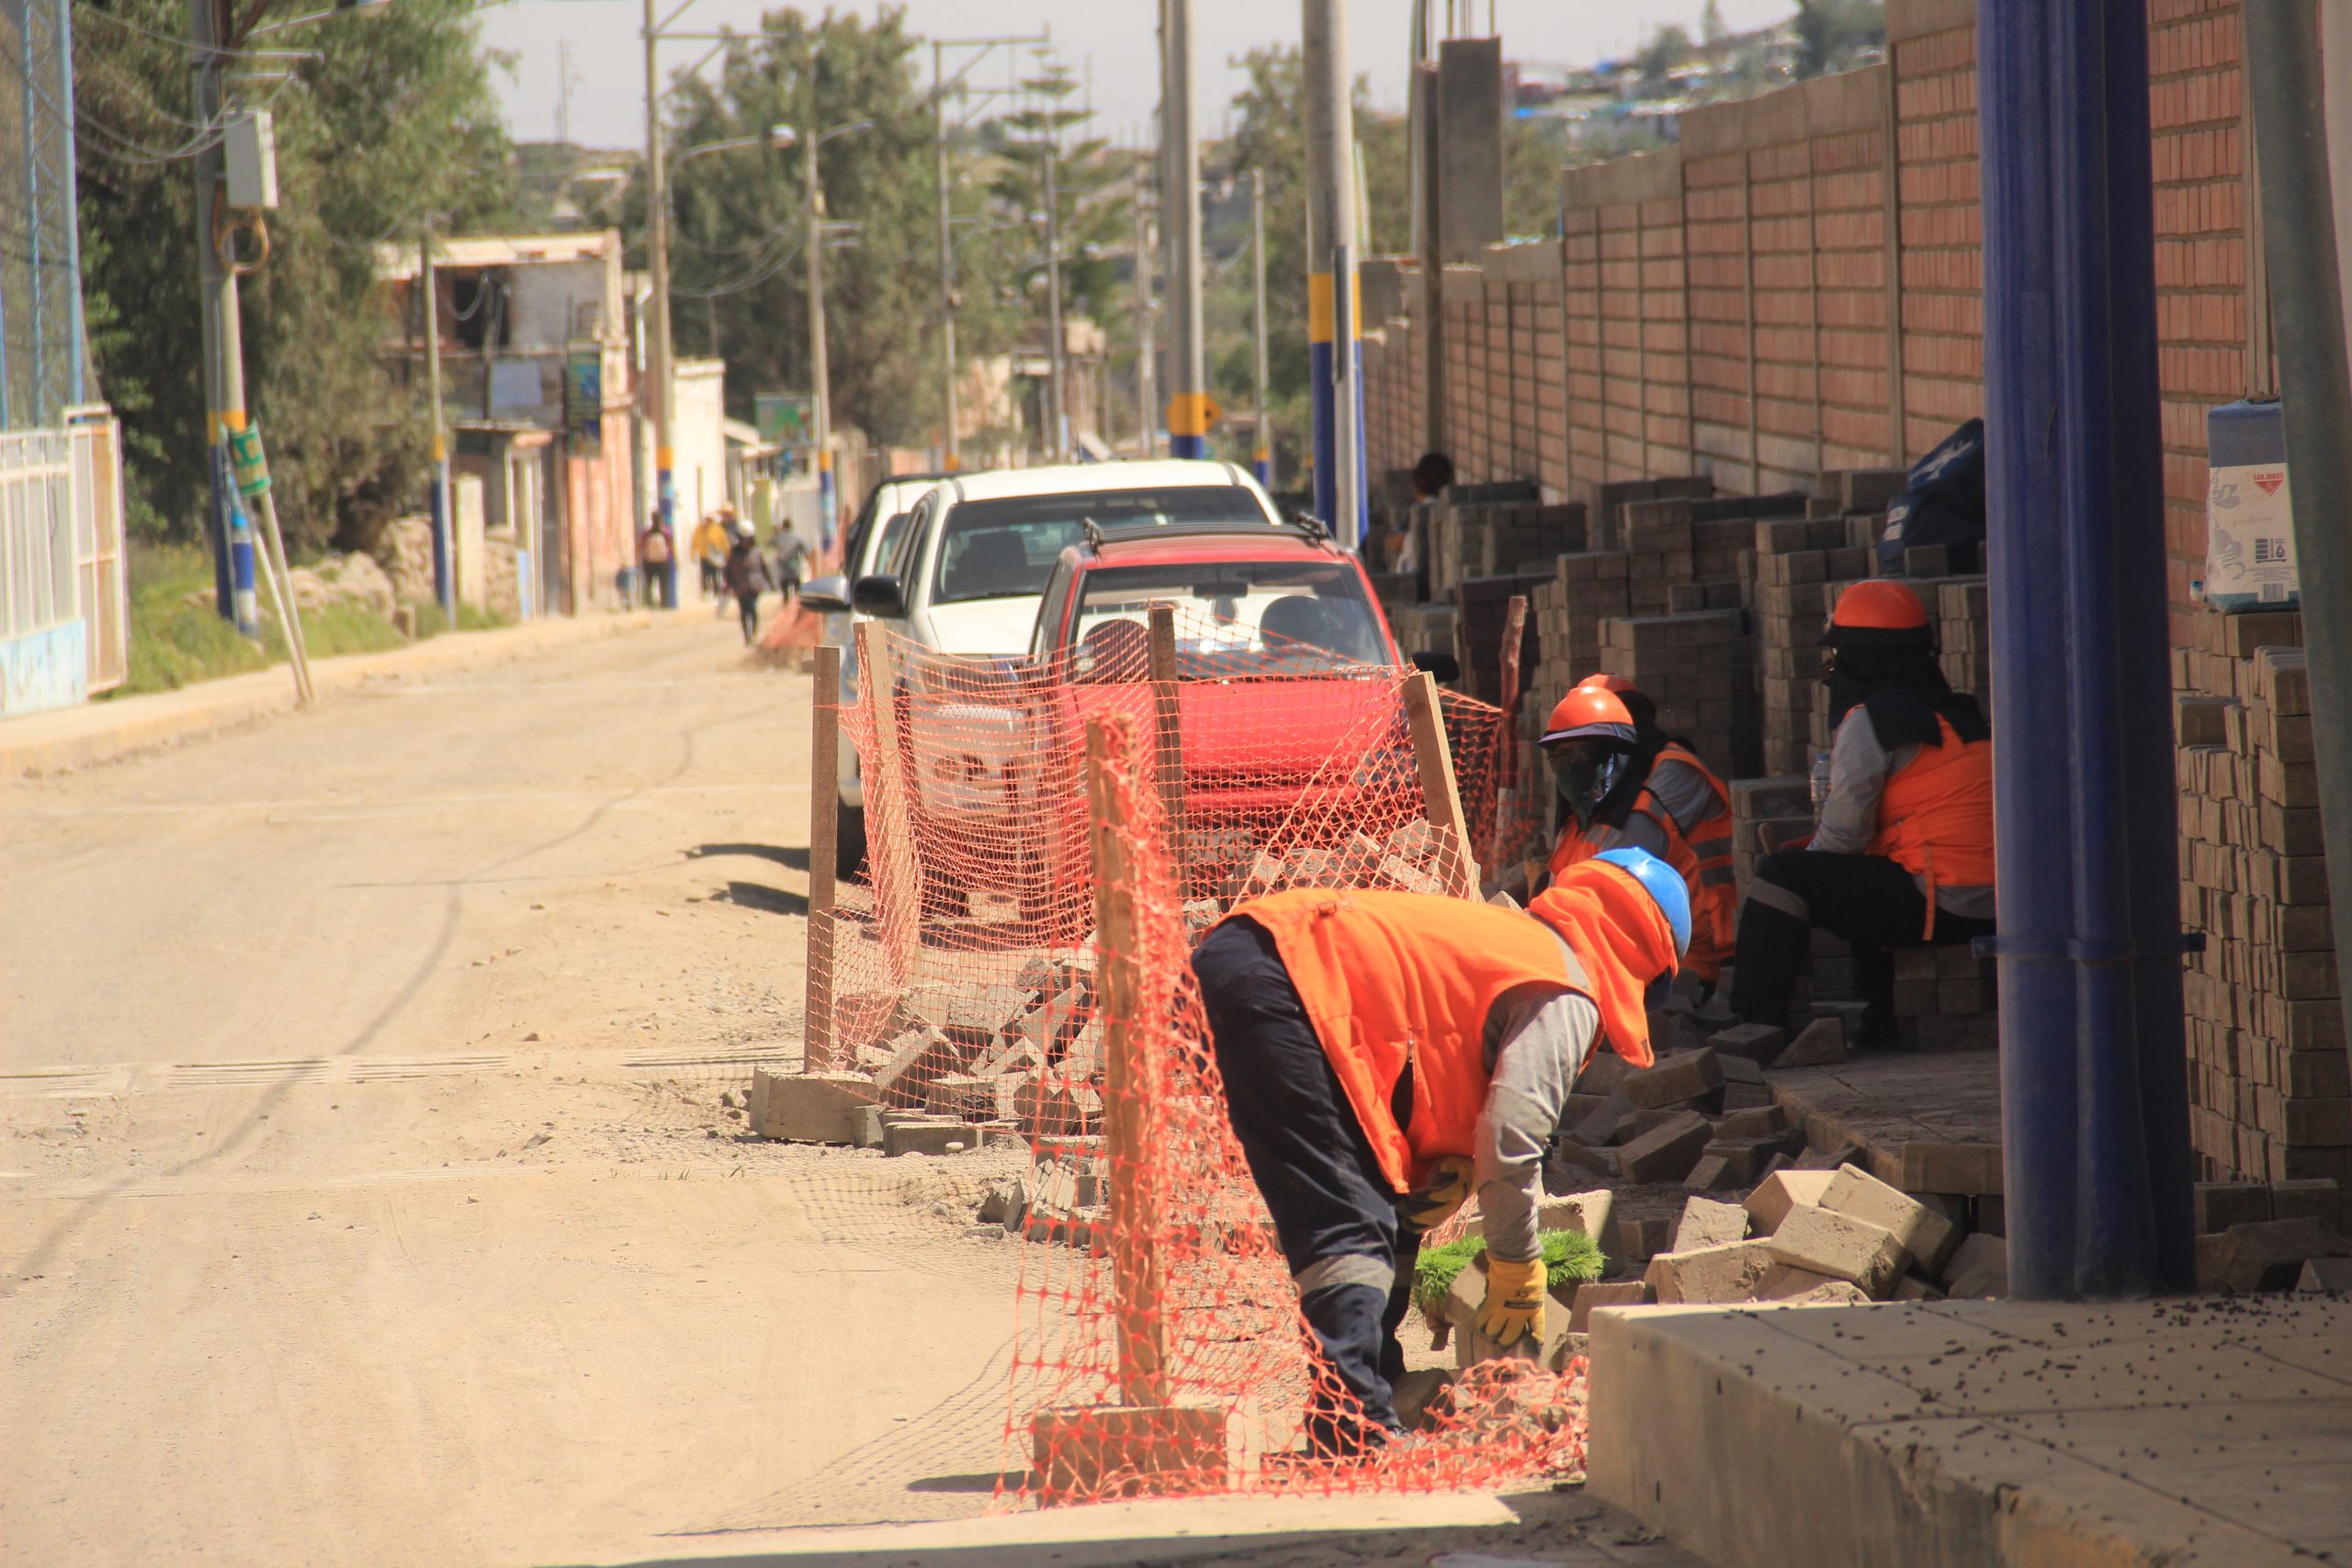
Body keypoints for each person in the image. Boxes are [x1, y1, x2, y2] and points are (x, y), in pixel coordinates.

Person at [1191, 850, 1690, 1455]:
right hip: (1287, 976)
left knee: (1382, 1203)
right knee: (1350, 1213)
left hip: (1259, 958)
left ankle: (1379, 1384)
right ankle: (1356, 1432)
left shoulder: (1515, 941)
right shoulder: (1568, 987)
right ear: (1651, 969)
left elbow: (1428, 1035)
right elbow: (1512, 1139)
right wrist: (1515, 1262)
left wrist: (1435, 1157)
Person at [1728, 579, 1996, 1043]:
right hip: (2002, 906)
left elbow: (1843, 838)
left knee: (1780, 875)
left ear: (1860, 658)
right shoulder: (1966, 716)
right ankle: (1881, 1021)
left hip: (1942, 904)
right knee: (1869, 873)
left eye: (1837, 658)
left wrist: (1810, 858)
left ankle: (1756, 1023)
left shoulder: (1872, 722)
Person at [1536, 674, 1737, 987]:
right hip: (1615, 959)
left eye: (1581, 753)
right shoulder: (1585, 819)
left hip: (1689, 959)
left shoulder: (1664, 780)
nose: (1569, 766)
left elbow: (1613, 886)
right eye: (1560, 756)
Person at [723, 522, 775, 645]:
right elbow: (728, 570)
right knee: (743, 611)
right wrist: (728, 585)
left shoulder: (757, 551)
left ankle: (754, 633)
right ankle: (747, 635)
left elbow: (764, 567)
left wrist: (770, 582)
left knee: (752, 609)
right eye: (743, 539)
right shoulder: (734, 552)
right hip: (740, 586)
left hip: (754, 586)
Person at [691, 512, 730, 609]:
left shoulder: (718, 529)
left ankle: (717, 593)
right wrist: (693, 554)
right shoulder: (699, 529)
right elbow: (694, 542)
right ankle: (706, 593)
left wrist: (727, 554)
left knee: (715, 575)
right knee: (705, 575)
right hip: (704, 556)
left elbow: (724, 542)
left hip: (715, 557)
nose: (707, 521)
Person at [638, 515, 677, 609]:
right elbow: (671, 546)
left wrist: (638, 557)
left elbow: (641, 545)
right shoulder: (666, 532)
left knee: (649, 584)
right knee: (664, 584)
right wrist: (675, 559)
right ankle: (664, 604)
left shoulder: (647, 533)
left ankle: (650, 603)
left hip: (649, 561)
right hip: (663, 561)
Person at [773, 528, 811, 605]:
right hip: (794, 570)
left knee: (785, 595)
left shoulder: (779, 537)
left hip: (783, 572)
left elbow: (768, 542)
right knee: (798, 593)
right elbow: (807, 549)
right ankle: (797, 609)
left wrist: (775, 533)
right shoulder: (797, 537)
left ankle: (787, 610)